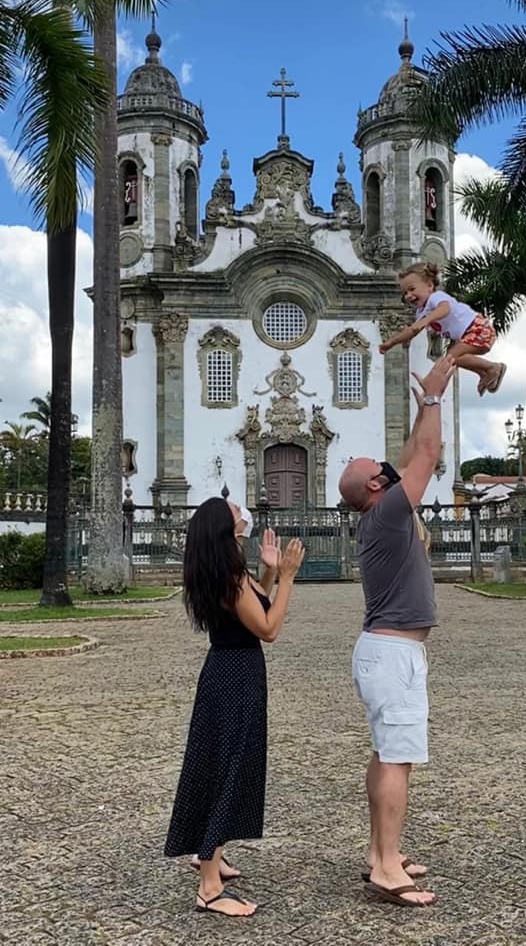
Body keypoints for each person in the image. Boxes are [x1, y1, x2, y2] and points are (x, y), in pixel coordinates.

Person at [338, 355, 455, 909]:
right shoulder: (387, 514)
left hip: (384, 650)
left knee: (386, 752)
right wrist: (433, 399)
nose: (390, 466)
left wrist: (422, 408)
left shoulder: (380, 513)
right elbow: (425, 457)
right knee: (396, 758)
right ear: (376, 485)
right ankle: (386, 867)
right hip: (392, 654)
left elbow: (409, 457)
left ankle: (379, 851)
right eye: (380, 467)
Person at [164, 497, 305, 917]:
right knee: (227, 767)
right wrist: (289, 578)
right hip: (235, 676)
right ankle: (209, 887)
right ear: (225, 528)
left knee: (219, 762)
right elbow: (268, 628)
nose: (243, 513)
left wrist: (269, 571)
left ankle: (209, 853)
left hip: (226, 672)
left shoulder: (223, 571)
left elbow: (254, 603)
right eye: (236, 512)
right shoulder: (229, 577)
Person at [379, 262, 506, 396]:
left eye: (412, 289)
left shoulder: (436, 297)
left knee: (450, 357)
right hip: (471, 333)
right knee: (452, 359)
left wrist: (426, 320)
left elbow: (445, 309)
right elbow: (411, 331)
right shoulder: (421, 312)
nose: (408, 295)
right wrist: (391, 342)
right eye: (405, 293)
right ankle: (483, 372)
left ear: (429, 285)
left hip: (478, 329)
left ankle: (493, 367)